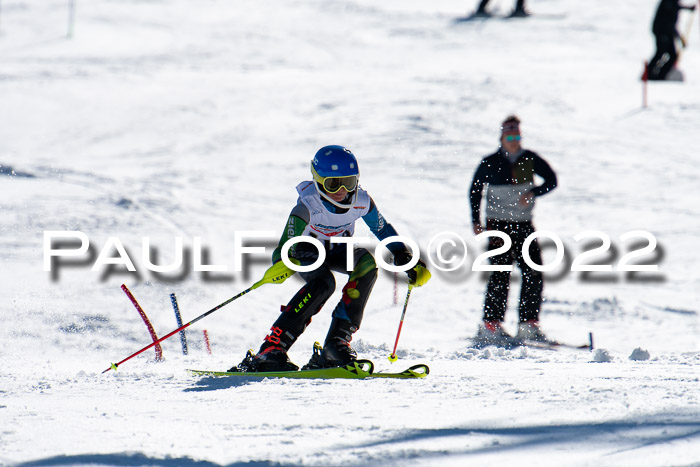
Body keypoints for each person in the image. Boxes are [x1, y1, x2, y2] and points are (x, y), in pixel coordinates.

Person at [230, 145, 431, 372]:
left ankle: (336, 346)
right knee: (324, 284)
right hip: (307, 250)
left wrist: (404, 256)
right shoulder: (308, 204)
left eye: (349, 182)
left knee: (367, 264)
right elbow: (288, 239)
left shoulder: (362, 201)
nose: (342, 190)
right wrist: (281, 261)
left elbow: (382, 230)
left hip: (338, 249)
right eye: (333, 184)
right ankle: (271, 349)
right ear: (317, 181)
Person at [469, 116, 557, 347]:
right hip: (497, 225)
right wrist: (476, 220)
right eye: (509, 136)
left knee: (533, 271)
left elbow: (552, 180)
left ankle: (528, 324)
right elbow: (475, 190)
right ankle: (491, 324)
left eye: (517, 136)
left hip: (523, 224)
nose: (513, 141)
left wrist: (535, 192)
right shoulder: (490, 162)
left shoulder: (529, 159)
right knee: (500, 273)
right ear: (502, 137)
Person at [646, 0, 696, 80]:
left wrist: (680, 39)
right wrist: (688, 8)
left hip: (668, 32)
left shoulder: (674, 4)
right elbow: (672, 7)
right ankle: (648, 75)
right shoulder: (669, 3)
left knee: (673, 55)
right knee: (661, 53)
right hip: (661, 30)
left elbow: (672, 25)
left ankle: (660, 76)